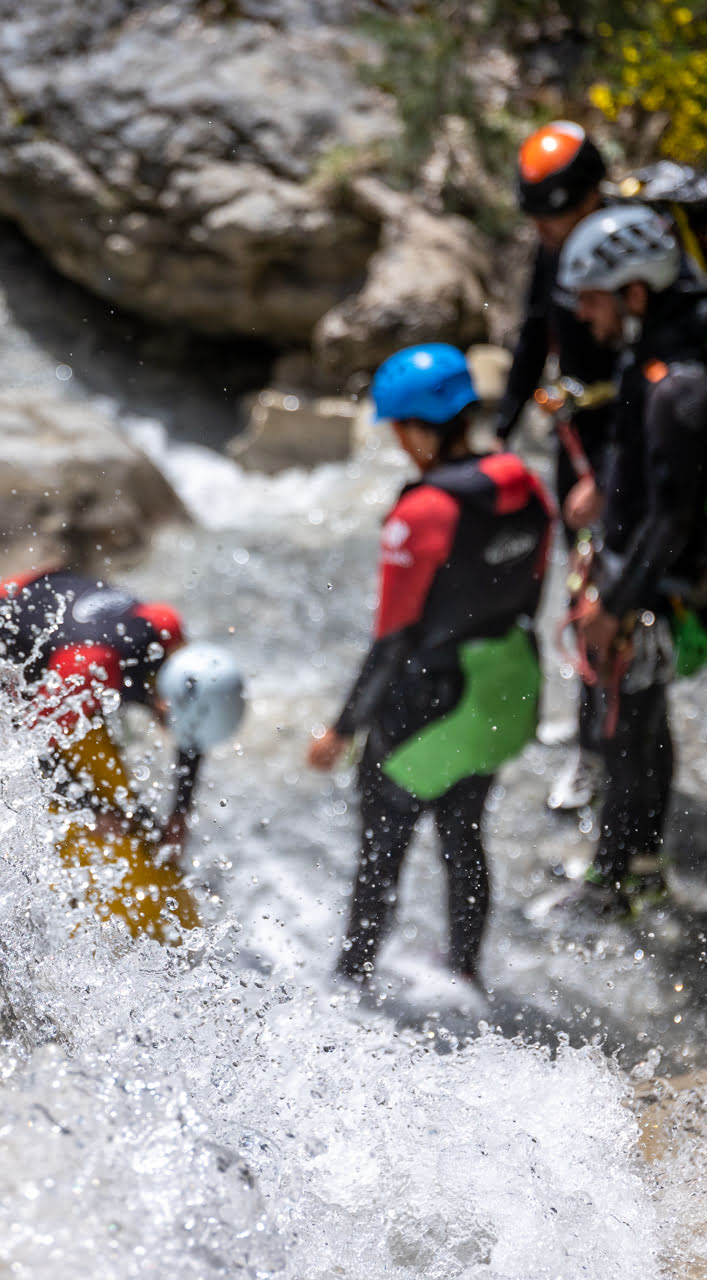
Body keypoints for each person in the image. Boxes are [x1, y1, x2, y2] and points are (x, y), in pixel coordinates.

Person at [307, 345, 554, 987]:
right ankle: (466, 973)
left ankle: (350, 980)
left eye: (396, 428)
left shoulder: (422, 513)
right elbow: (530, 592)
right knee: (464, 835)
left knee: (382, 851)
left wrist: (341, 728)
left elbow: (391, 639)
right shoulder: (523, 483)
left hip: (423, 706)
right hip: (498, 694)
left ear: (418, 428)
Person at [554, 203, 707, 918]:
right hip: (644, 578)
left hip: (650, 590)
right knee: (640, 728)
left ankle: (609, 884)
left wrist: (614, 605)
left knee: (625, 735)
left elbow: (672, 516)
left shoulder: (680, 384)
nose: (587, 319)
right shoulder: (656, 354)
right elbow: (646, 468)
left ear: (635, 291)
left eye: (595, 301)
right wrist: (602, 482)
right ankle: (645, 871)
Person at [0, 569, 243, 943]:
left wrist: (180, 813)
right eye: (175, 726)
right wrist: (92, 812)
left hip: (48, 598)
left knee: (123, 812)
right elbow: (33, 747)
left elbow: (193, 729)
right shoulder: (88, 668)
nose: (176, 737)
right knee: (101, 820)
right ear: (163, 702)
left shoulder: (170, 634)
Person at [495, 120, 621, 814]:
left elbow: (654, 376)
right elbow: (532, 333)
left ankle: (600, 753)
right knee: (578, 593)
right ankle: (588, 733)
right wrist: (502, 427)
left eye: (558, 217)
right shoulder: (555, 246)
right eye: (537, 221)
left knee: (607, 600)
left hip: (622, 451)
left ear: (595, 197)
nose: (546, 233)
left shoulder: (631, 254)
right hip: (576, 439)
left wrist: (610, 482)